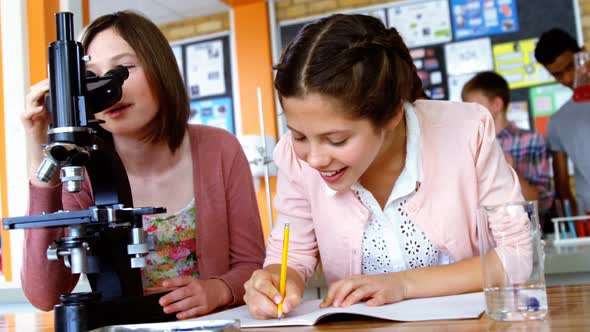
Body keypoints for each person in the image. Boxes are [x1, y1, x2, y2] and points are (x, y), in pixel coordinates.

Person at [243, 14, 530, 319]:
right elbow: (293, 255)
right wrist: (275, 280)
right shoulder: (293, 158)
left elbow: (518, 254)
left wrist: (403, 284)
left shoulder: (468, 130)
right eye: (299, 135)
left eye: (336, 140)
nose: (314, 159)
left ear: (392, 115)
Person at [21, 11, 265, 319]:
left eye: (123, 69)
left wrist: (219, 289)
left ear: (159, 67)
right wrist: (41, 157)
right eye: (93, 77)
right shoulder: (81, 170)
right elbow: (44, 295)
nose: (110, 88)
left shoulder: (219, 149)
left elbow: (251, 266)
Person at [461, 71, 552, 214]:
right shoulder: (468, 146)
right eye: (466, 108)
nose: (468, 114)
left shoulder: (531, 140)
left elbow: (543, 203)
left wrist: (508, 169)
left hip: (526, 231)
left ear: (497, 105)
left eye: (475, 107)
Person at [535, 28, 590, 215]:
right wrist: (574, 227)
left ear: (583, 54)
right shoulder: (557, 121)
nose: (567, 78)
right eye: (557, 75)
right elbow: (563, 187)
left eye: (570, 67)